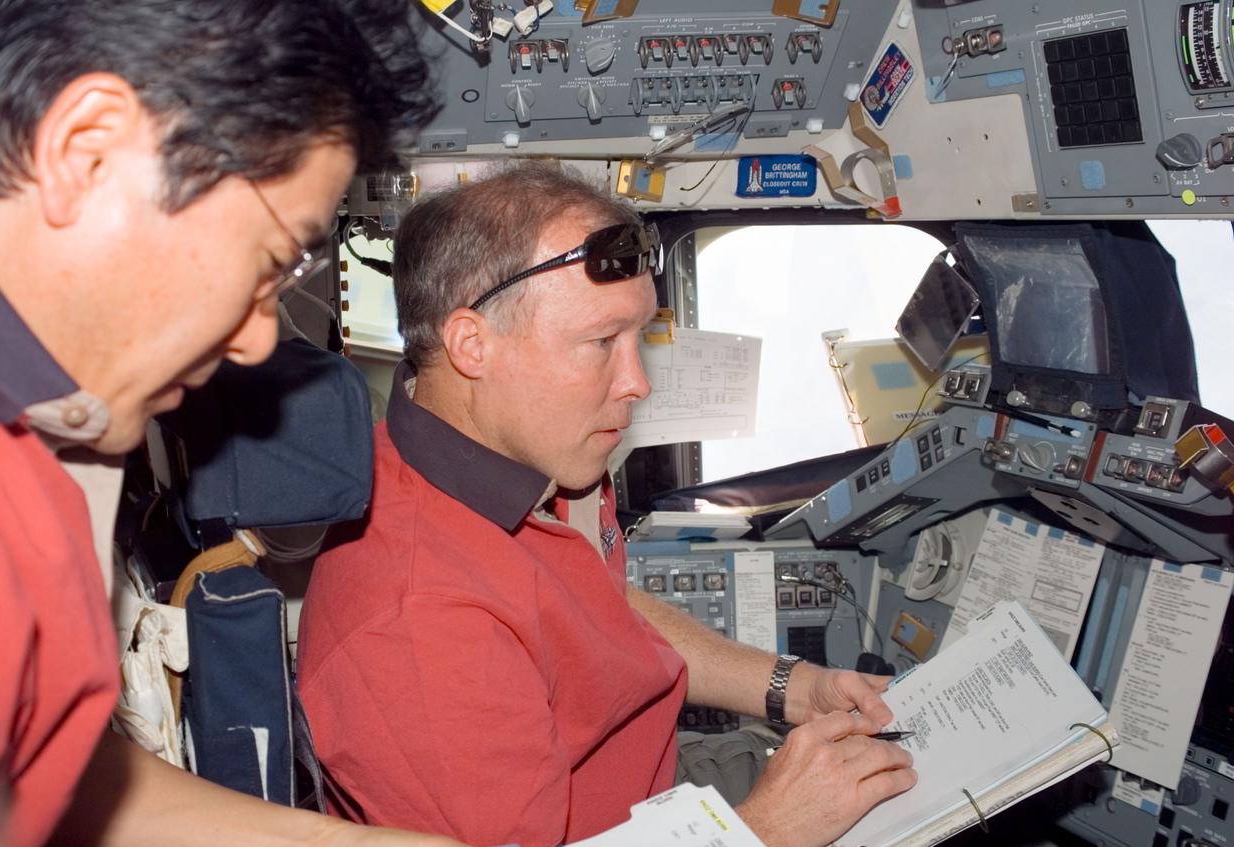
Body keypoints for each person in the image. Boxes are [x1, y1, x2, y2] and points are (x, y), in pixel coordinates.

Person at [0, 1, 466, 845]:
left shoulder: (54, 431)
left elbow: (49, 767)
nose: (259, 336)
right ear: (87, 152)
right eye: (271, 264)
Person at [297, 164, 918, 847]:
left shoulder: (528, 459)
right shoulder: (413, 625)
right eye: (600, 343)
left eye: (639, 335)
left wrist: (793, 688)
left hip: (652, 787)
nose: (638, 383)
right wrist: (767, 830)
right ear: (472, 345)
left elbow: (598, 608)